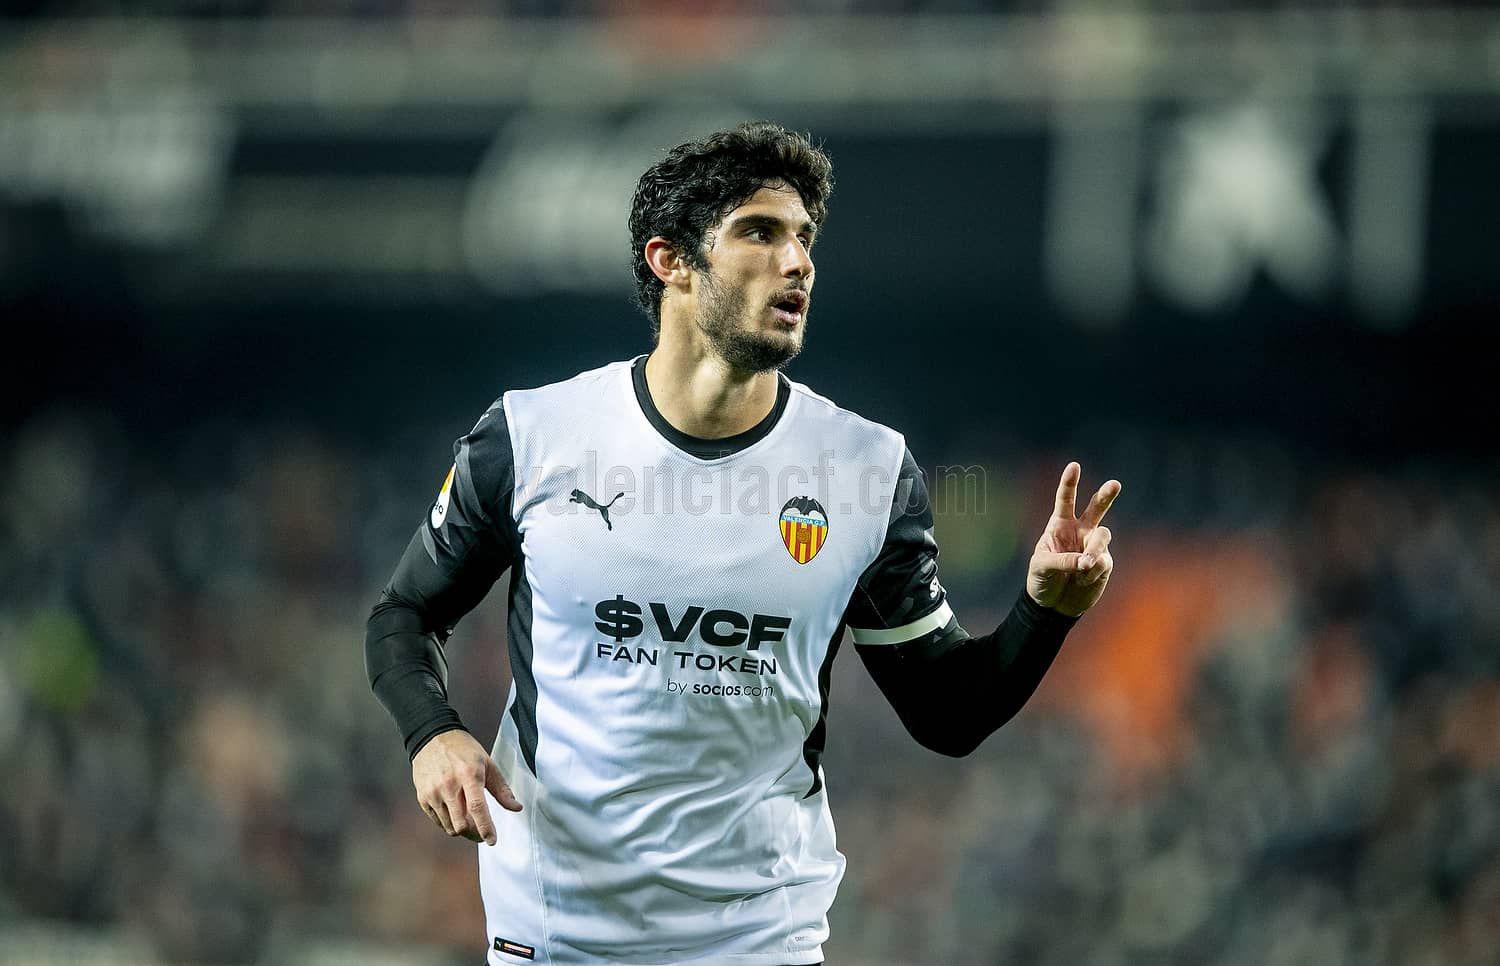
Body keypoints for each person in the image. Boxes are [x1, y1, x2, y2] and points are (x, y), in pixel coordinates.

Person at [365, 122, 1120, 966]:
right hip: (555, 925)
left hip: (760, 933)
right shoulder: (534, 436)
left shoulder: (867, 471)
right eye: (759, 233)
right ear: (672, 261)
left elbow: (948, 711)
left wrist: (1043, 610)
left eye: (804, 239)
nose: (796, 261)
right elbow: (405, 612)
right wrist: (432, 732)